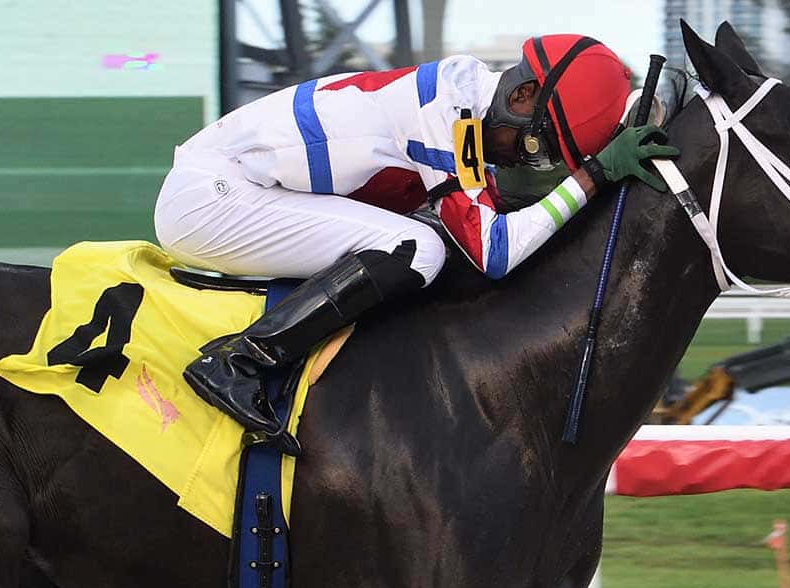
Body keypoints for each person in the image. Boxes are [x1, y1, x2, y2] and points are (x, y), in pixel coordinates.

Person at [156, 34, 679, 454]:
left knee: (429, 242)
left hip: (236, 186)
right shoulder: (449, 116)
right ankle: (240, 363)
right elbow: (495, 253)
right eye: (533, 143)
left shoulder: (466, 102)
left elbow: (497, 221)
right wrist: (592, 176)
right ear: (521, 96)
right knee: (418, 249)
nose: (524, 159)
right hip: (212, 199)